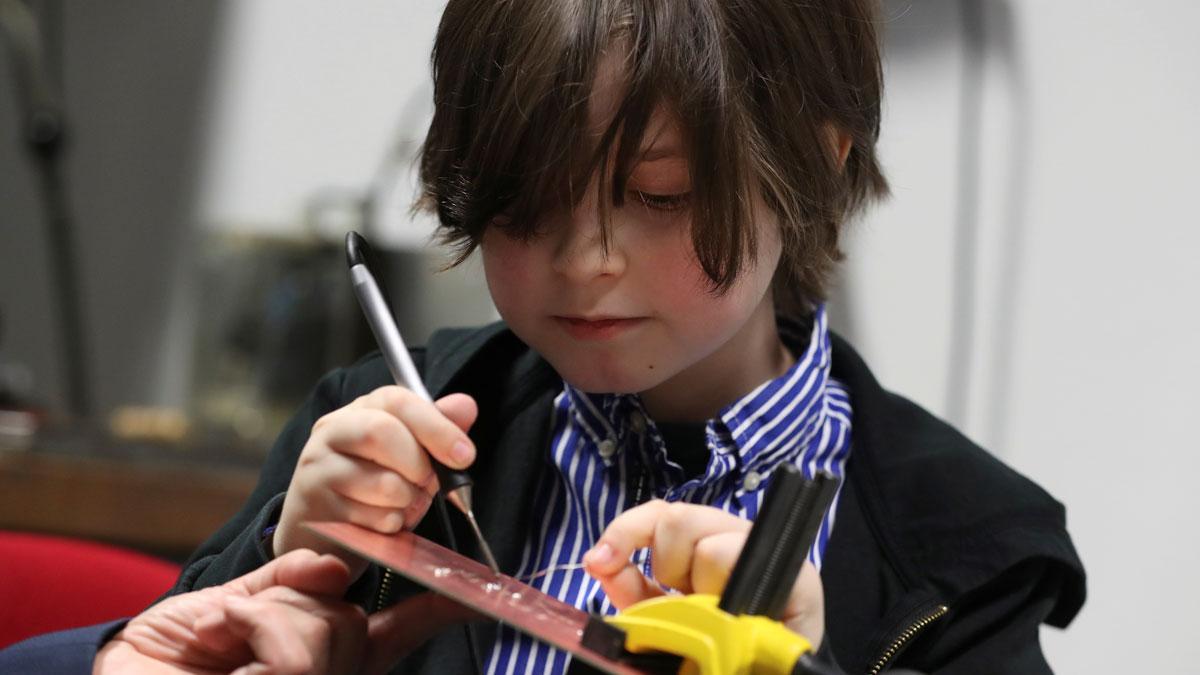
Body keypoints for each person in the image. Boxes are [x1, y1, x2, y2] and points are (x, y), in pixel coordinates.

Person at [0, 0, 1086, 672]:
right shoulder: (382, 428)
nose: (584, 261)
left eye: (656, 197)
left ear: (820, 157)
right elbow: (170, 645)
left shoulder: (963, 550)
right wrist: (281, 560)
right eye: (523, 205)